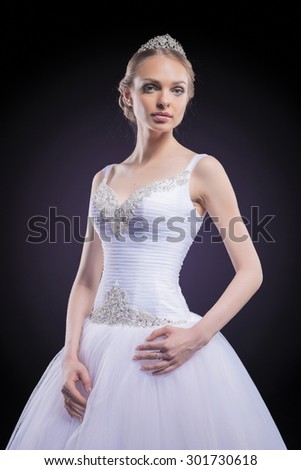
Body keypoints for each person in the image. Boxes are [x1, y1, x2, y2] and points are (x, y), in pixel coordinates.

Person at [7, 33, 287, 450]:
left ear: (188, 97)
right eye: (151, 87)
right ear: (127, 93)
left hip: (163, 343)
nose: (164, 101)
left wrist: (198, 336)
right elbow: (86, 279)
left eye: (177, 90)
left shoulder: (203, 169)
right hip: (95, 348)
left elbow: (251, 272)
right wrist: (70, 356)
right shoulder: (103, 177)